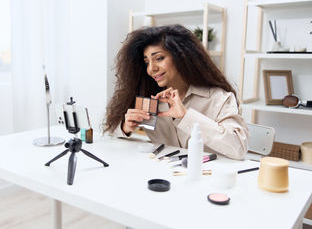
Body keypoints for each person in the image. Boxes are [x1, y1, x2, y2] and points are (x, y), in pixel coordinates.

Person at [104, 24, 248, 160]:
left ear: (181, 56)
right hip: (162, 174)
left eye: (159, 58)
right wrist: (125, 127)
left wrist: (186, 116)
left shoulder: (218, 98)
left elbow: (239, 149)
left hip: (205, 176)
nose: (151, 69)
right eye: (147, 62)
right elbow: (109, 134)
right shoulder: (149, 96)